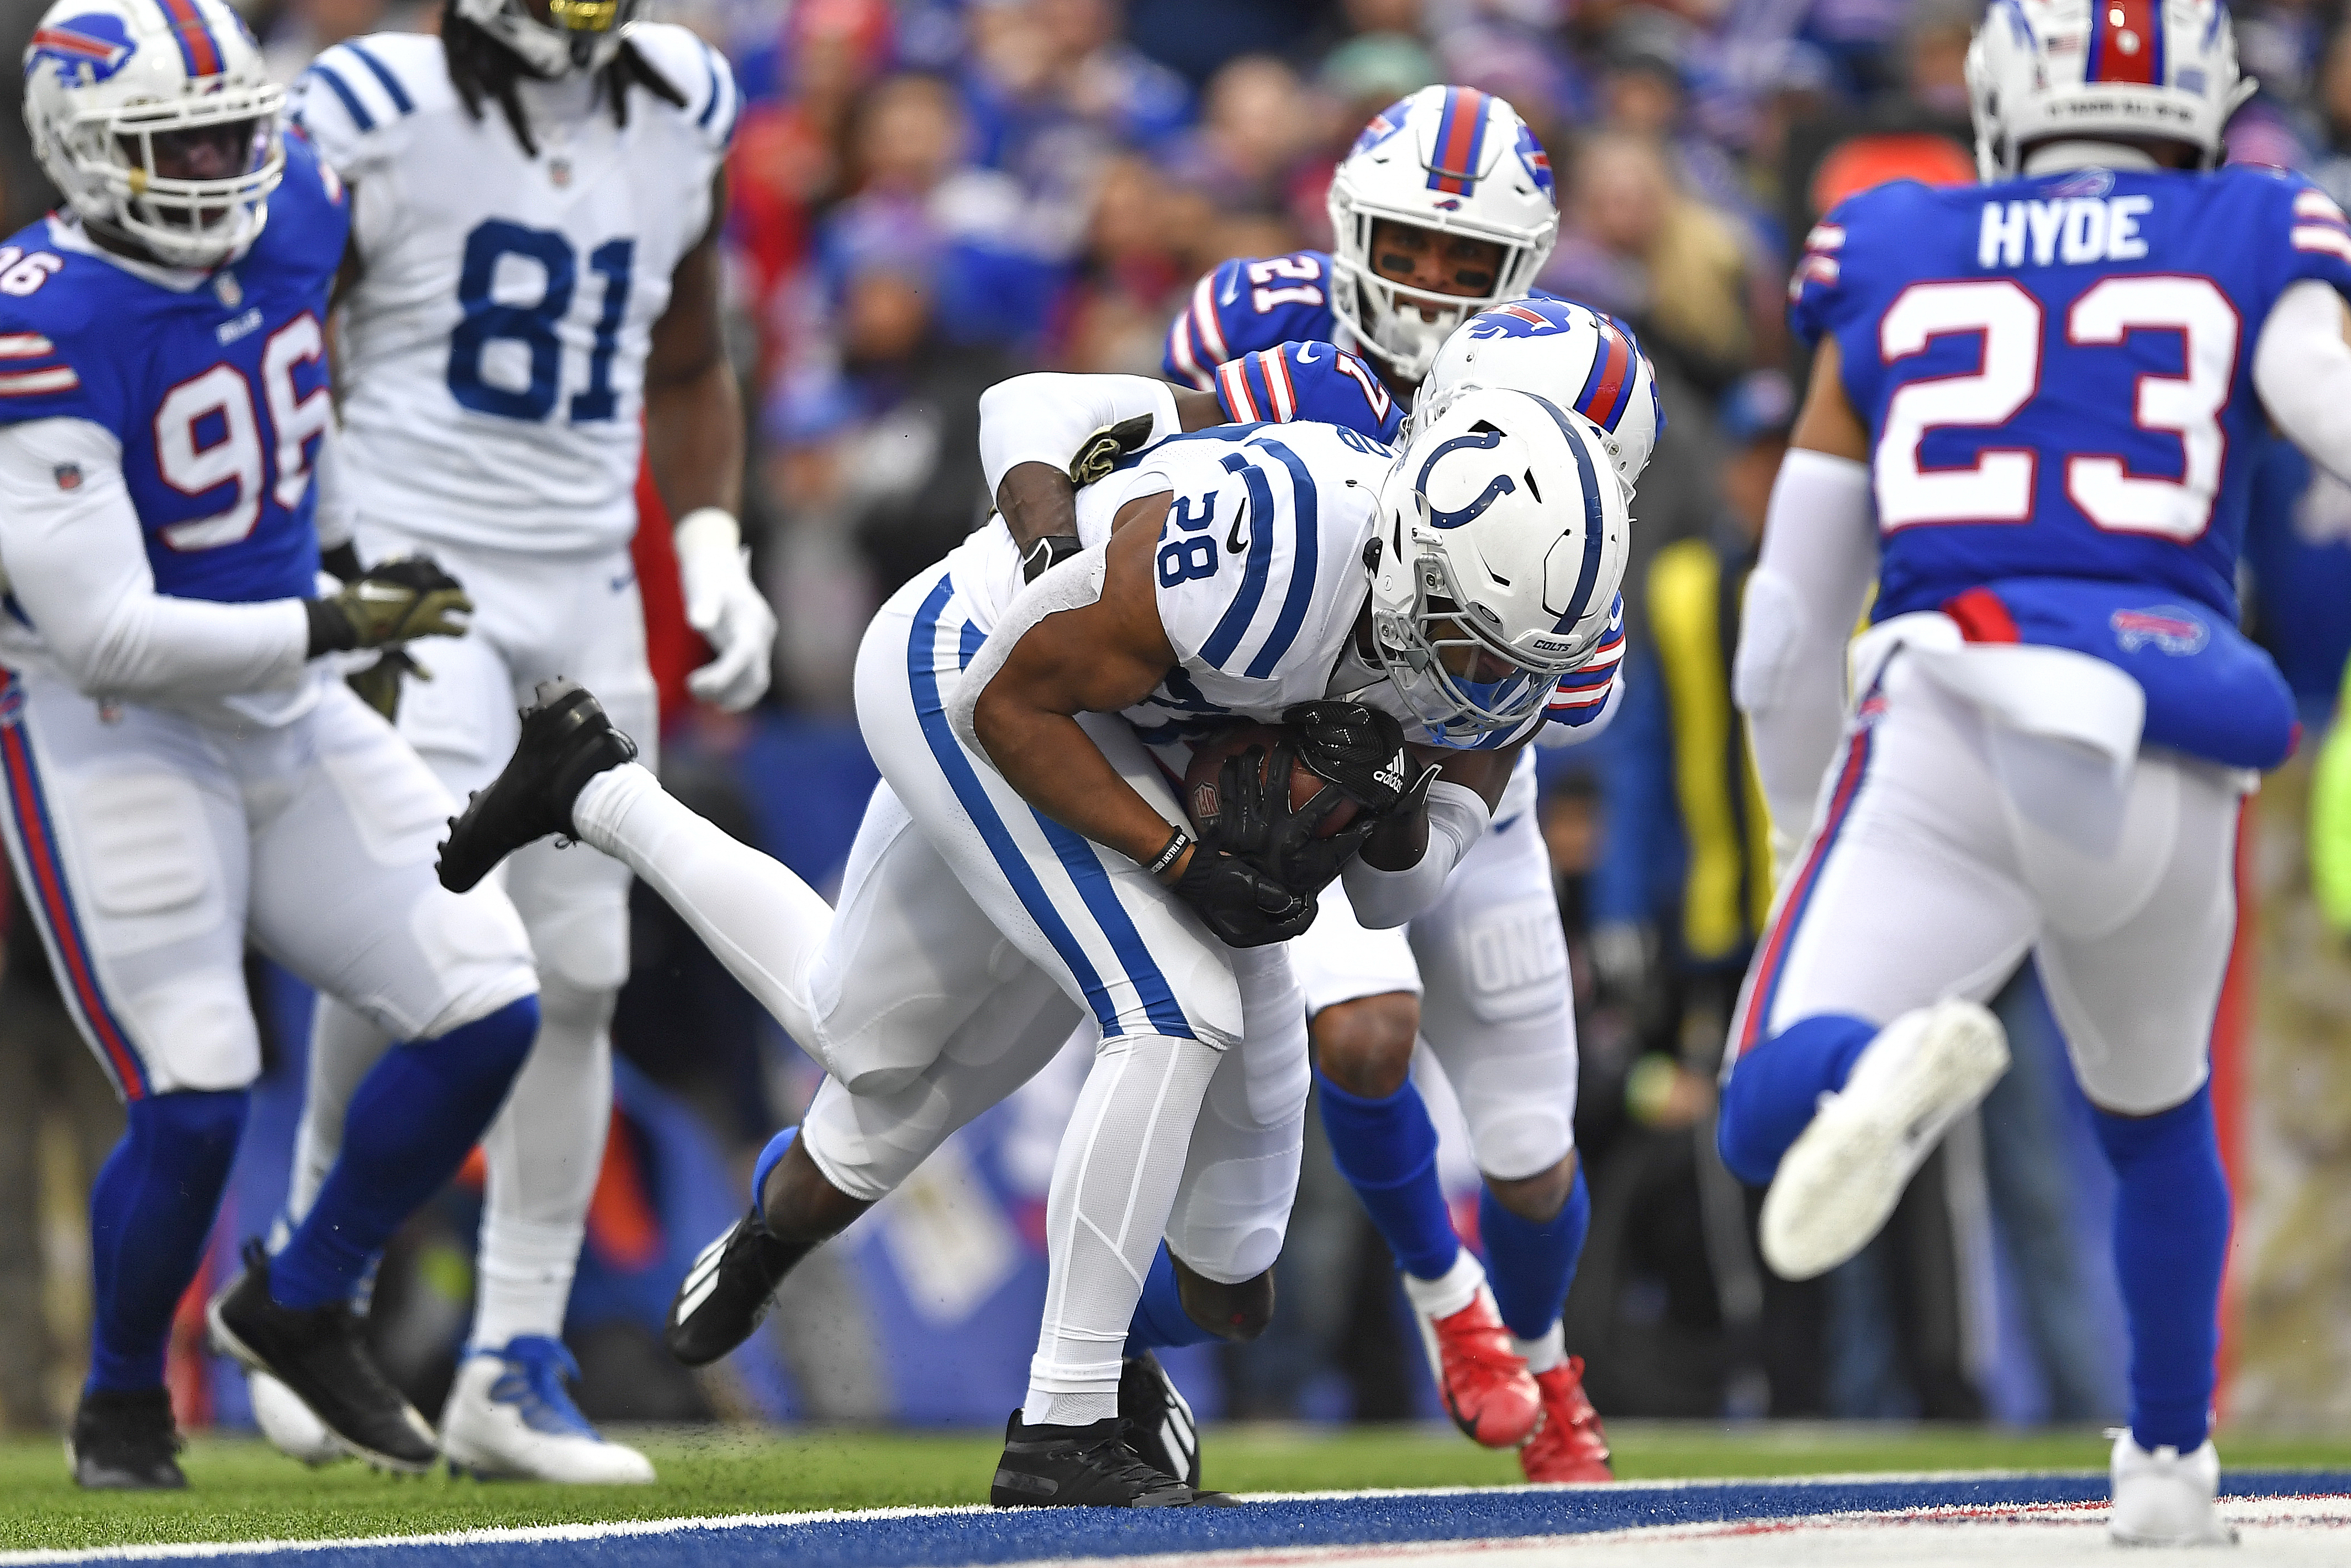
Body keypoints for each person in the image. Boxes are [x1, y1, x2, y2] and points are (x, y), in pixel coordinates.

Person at [446, 375, 1631, 1506]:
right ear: (1412, 543)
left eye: (1513, 661)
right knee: (1172, 1009)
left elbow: (1393, 899)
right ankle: (1066, 1422)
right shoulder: (1270, 544)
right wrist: (1183, 860)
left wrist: (1388, 799)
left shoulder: (1514, 637)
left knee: (1218, 1264)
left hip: (1135, 742)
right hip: (971, 672)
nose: (1480, 682)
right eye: (1464, 639)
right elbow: (1007, 701)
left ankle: (587, 783)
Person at [1719, 0, 2351, 1544]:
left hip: (1952, 711)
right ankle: (2166, 1471)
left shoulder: (1889, 237)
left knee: (1763, 1105)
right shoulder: (2256, 220)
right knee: (2155, 1117)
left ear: (2003, 99)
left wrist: (1804, 831)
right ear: (2204, 99)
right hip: (2168, 728)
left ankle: (1874, 1070)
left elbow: (1788, 625)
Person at [3, 0, 544, 1486]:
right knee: (197, 1081)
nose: (220, 166)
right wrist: (336, 621)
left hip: (286, 698)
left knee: (491, 999)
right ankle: (121, 1405)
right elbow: (107, 627)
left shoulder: (296, 200)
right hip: (108, 721)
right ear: (74, 145)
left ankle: (300, 1299)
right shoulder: (39, 313)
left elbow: (336, 375)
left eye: (237, 128)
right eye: (178, 143)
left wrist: (345, 570)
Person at [256, 0, 776, 1482]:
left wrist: (716, 536)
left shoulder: (684, 96)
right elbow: (275, 339)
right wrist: (314, 544)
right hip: (414, 562)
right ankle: (318, 1291)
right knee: (415, 926)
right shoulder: (369, 103)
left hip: (589, 579)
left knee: (587, 975)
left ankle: (513, 1363)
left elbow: (685, 360)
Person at [1161, 85, 1659, 1481]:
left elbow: (1548, 709)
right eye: (1407, 246)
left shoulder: (1567, 422)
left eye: (1466, 262)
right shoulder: (1255, 344)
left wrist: (1427, 799)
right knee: (1364, 1036)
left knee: (1529, 1147)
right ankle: (1458, 1314)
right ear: (1344, 227)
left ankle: (1545, 1360)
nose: (1429, 287)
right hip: (1294, 767)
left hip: (1460, 794)